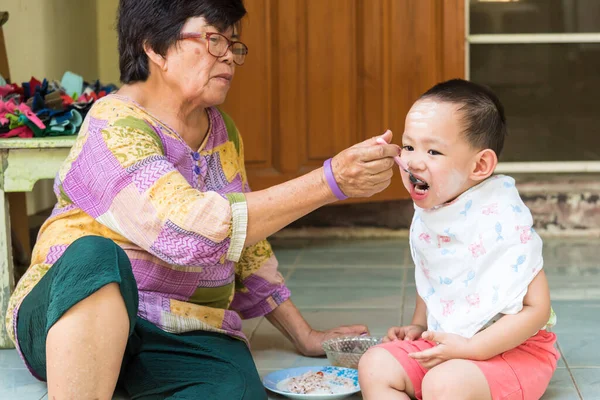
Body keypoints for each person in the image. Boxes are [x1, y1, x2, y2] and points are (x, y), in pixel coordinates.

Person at [4, 1, 400, 399]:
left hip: (176, 325)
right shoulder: (114, 125)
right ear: (154, 48)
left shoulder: (221, 130)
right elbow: (186, 230)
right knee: (97, 257)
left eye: (232, 43)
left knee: (238, 390)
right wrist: (330, 181)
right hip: (67, 312)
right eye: (213, 39)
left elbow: (244, 240)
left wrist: (305, 334)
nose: (228, 55)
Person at [358, 79, 559, 400]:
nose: (413, 161)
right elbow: (437, 273)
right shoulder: (435, 210)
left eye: (433, 150)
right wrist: (419, 325)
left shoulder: (500, 217)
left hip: (514, 349)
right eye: (409, 147)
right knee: (373, 365)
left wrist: (473, 347)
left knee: (444, 384)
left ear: (480, 165)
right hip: (449, 341)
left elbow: (536, 309)